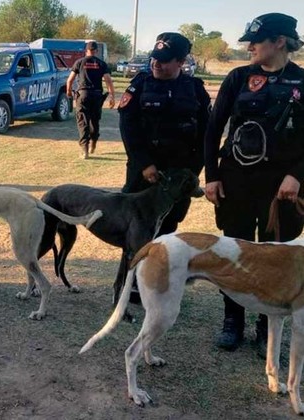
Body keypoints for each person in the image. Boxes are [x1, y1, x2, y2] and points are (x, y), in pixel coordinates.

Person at [204, 13, 304, 357]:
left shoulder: (302, 81)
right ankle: (232, 320)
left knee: (276, 258)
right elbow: (213, 129)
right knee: (235, 253)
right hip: (237, 182)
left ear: (279, 42)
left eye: (256, 41)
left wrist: (297, 175)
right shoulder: (238, 77)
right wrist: (212, 176)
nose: (249, 47)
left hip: (282, 189)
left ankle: (266, 327)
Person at [118, 32, 211, 301]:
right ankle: (128, 282)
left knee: (168, 226)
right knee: (136, 227)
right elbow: (128, 128)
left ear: (181, 61)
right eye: (155, 58)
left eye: (165, 60)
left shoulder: (195, 89)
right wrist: (144, 163)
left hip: (179, 173)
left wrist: (192, 172)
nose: (156, 64)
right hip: (143, 171)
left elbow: (205, 134)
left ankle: (155, 280)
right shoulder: (139, 85)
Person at [66, 41, 115, 159]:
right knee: (94, 121)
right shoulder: (101, 64)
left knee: (83, 121)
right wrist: (112, 96)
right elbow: (108, 81)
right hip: (97, 95)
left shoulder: (79, 62)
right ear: (96, 51)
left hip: (83, 95)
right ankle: (93, 143)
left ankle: (85, 150)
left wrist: (69, 92)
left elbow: (70, 80)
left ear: (86, 50)